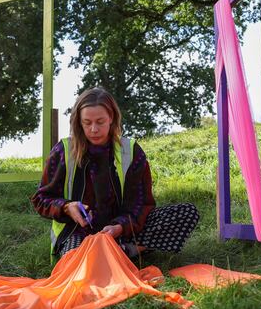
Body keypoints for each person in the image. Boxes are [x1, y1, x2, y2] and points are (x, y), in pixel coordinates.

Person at [31, 87, 199, 260]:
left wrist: (120, 226)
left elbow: (142, 204)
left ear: (111, 118)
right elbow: (41, 198)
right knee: (79, 258)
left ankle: (120, 251)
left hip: (121, 232)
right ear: (78, 122)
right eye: (87, 123)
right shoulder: (63, 151)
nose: (94, 129)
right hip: (77, 232)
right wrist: (67, 207)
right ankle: (118, 255)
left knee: (186, 212)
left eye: (100, 121)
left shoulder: (132, 151)